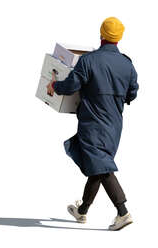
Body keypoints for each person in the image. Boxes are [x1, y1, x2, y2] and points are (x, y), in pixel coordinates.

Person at [46, 17, 139, 231]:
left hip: (93, 122)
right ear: (119, 38)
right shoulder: (127, 63)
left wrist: (54, 85)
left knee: (101, 165)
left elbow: (71, 85)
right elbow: (132, 93)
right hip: (115, 124)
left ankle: (123, 212)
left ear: (102, 35)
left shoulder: (89, 61)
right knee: (98, 164)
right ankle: (82, 211)